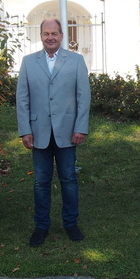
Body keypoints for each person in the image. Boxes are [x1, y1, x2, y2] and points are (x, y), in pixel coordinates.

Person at [17, 19, 91, 246]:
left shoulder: (76, 61)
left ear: (62, 35)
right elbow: (22, 98)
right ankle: (41, 226)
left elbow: (83, 97)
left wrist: (80, 127)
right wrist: (25, 130)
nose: (50, 37)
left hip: (68, 132)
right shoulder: (29, 62)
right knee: (41, 181)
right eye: (46, 33)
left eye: (54, 34)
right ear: (41, 36)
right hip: (38, 132)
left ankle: (70, 223)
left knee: (68, 179)